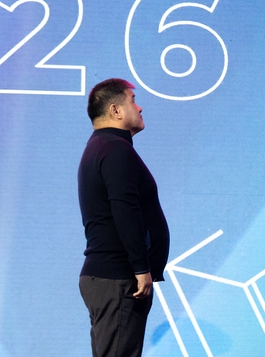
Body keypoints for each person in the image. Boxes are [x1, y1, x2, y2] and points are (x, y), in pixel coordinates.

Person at [77, 78, 170, 357]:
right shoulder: (114, 149)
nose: (139, 108)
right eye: (133, 101)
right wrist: (141, 268)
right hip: (119, 277)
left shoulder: (102, 147)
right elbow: (125, 209)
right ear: (115, 110)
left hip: (110, 277)